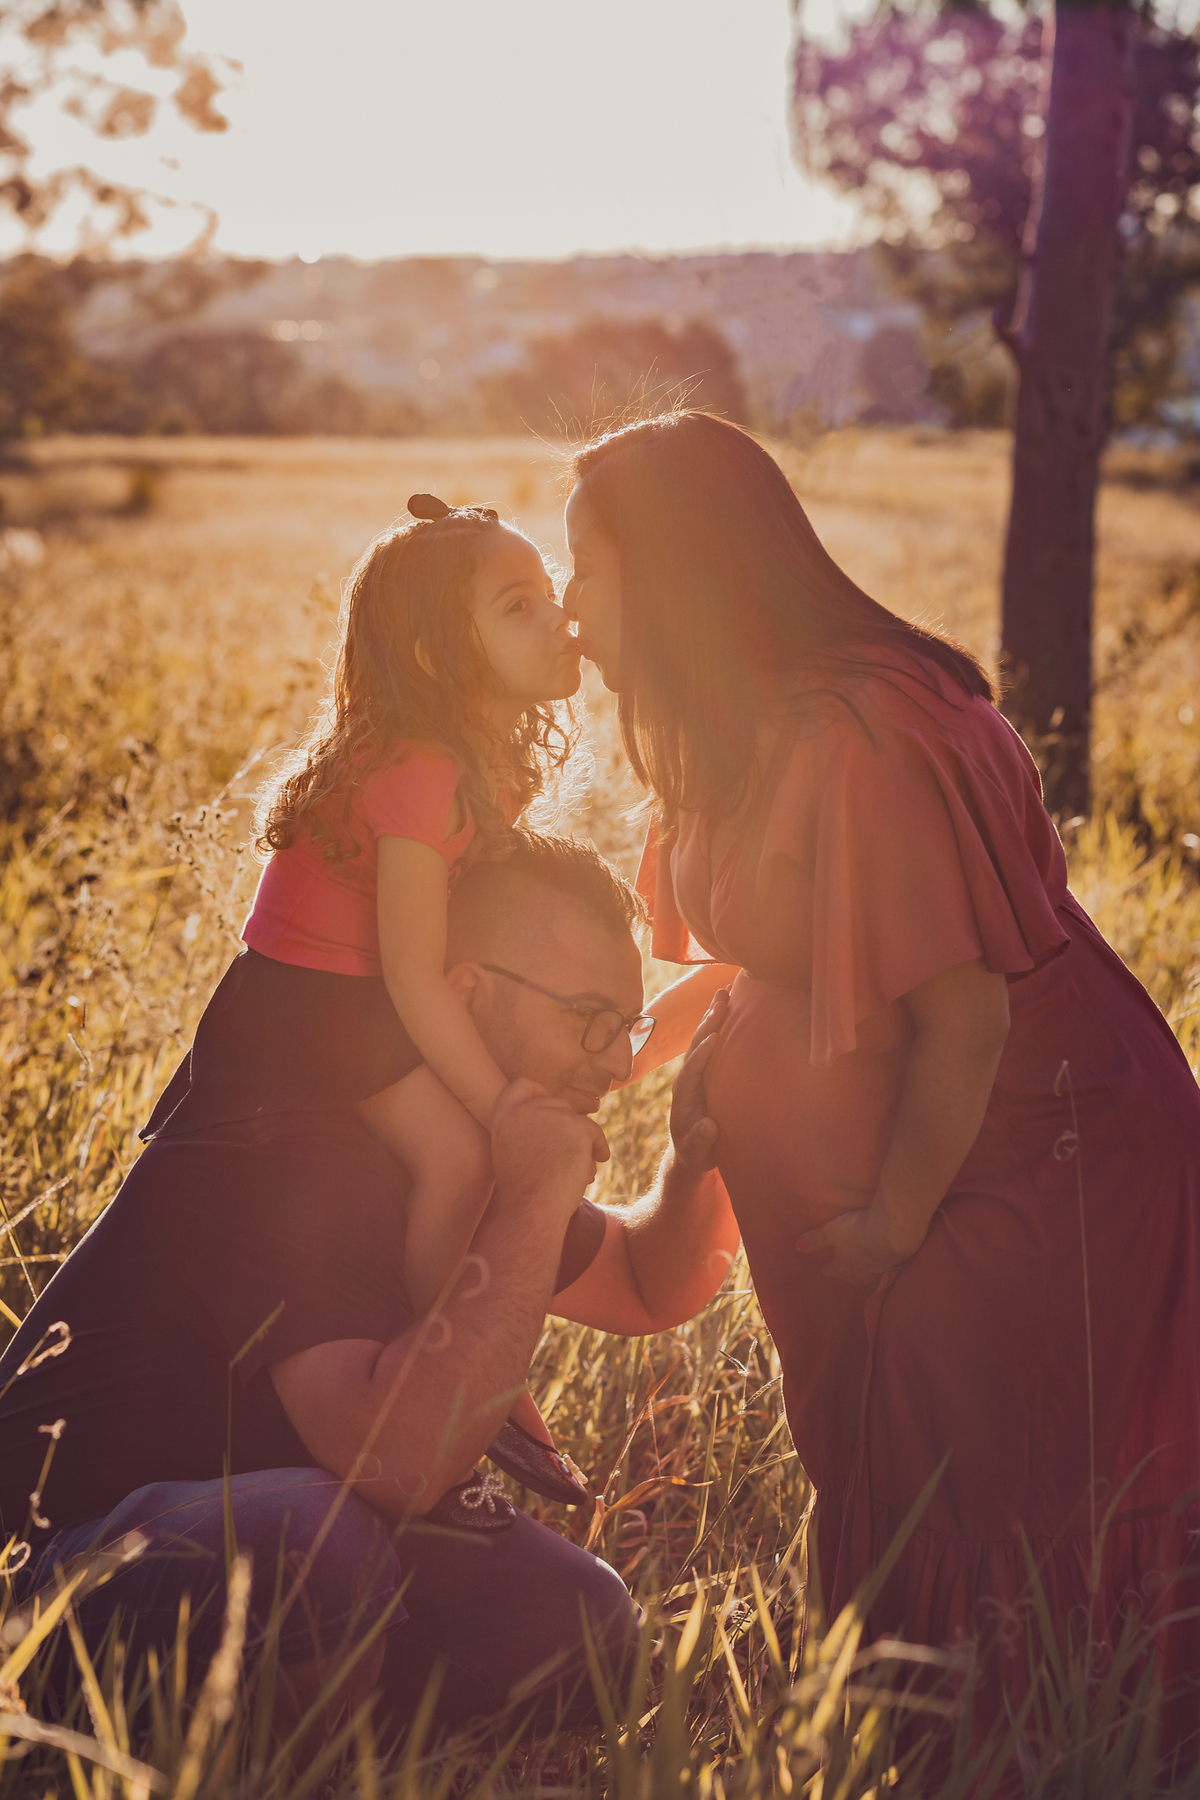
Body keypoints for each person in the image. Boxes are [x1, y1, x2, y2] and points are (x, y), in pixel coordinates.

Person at [564, 409, 1200, 1755]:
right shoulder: (742, 723)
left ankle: (1035, 1745)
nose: (569, 605)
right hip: (920, 1165)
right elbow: (790, 947)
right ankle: (928, 1735)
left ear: (674, 577)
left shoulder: (867, 735)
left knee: (993, 1481)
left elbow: (962, 1014)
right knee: (915, 1470)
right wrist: (631, 1053)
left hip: (1022, 1154)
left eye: (588, 568)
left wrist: (892, 1224)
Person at [0, 831, 741, 1744]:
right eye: (588, 1017)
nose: (615, 1062)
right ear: (463, 991)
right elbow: (397, 1463)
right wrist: (537, 1199)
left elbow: (645, 1286)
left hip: (282, 1533)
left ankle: (295, 1702)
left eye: (626, 1025)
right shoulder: (293, 1137)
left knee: (585, 1622)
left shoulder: (464, 1141)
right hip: (50, 1561)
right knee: (318, 1544)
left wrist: (700, 1152)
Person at [148, 492, 592, 1501]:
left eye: (553, 591)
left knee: (460, 1151)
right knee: (460, 1157)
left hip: (352, 1000)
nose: (561, 616)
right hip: (305, 1011)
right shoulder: (422, 772)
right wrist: (502, 1108)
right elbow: (410, 976)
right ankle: (447, 1366)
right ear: (439, 658)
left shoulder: (483, 756)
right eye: (518, 606)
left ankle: (464, 1373)